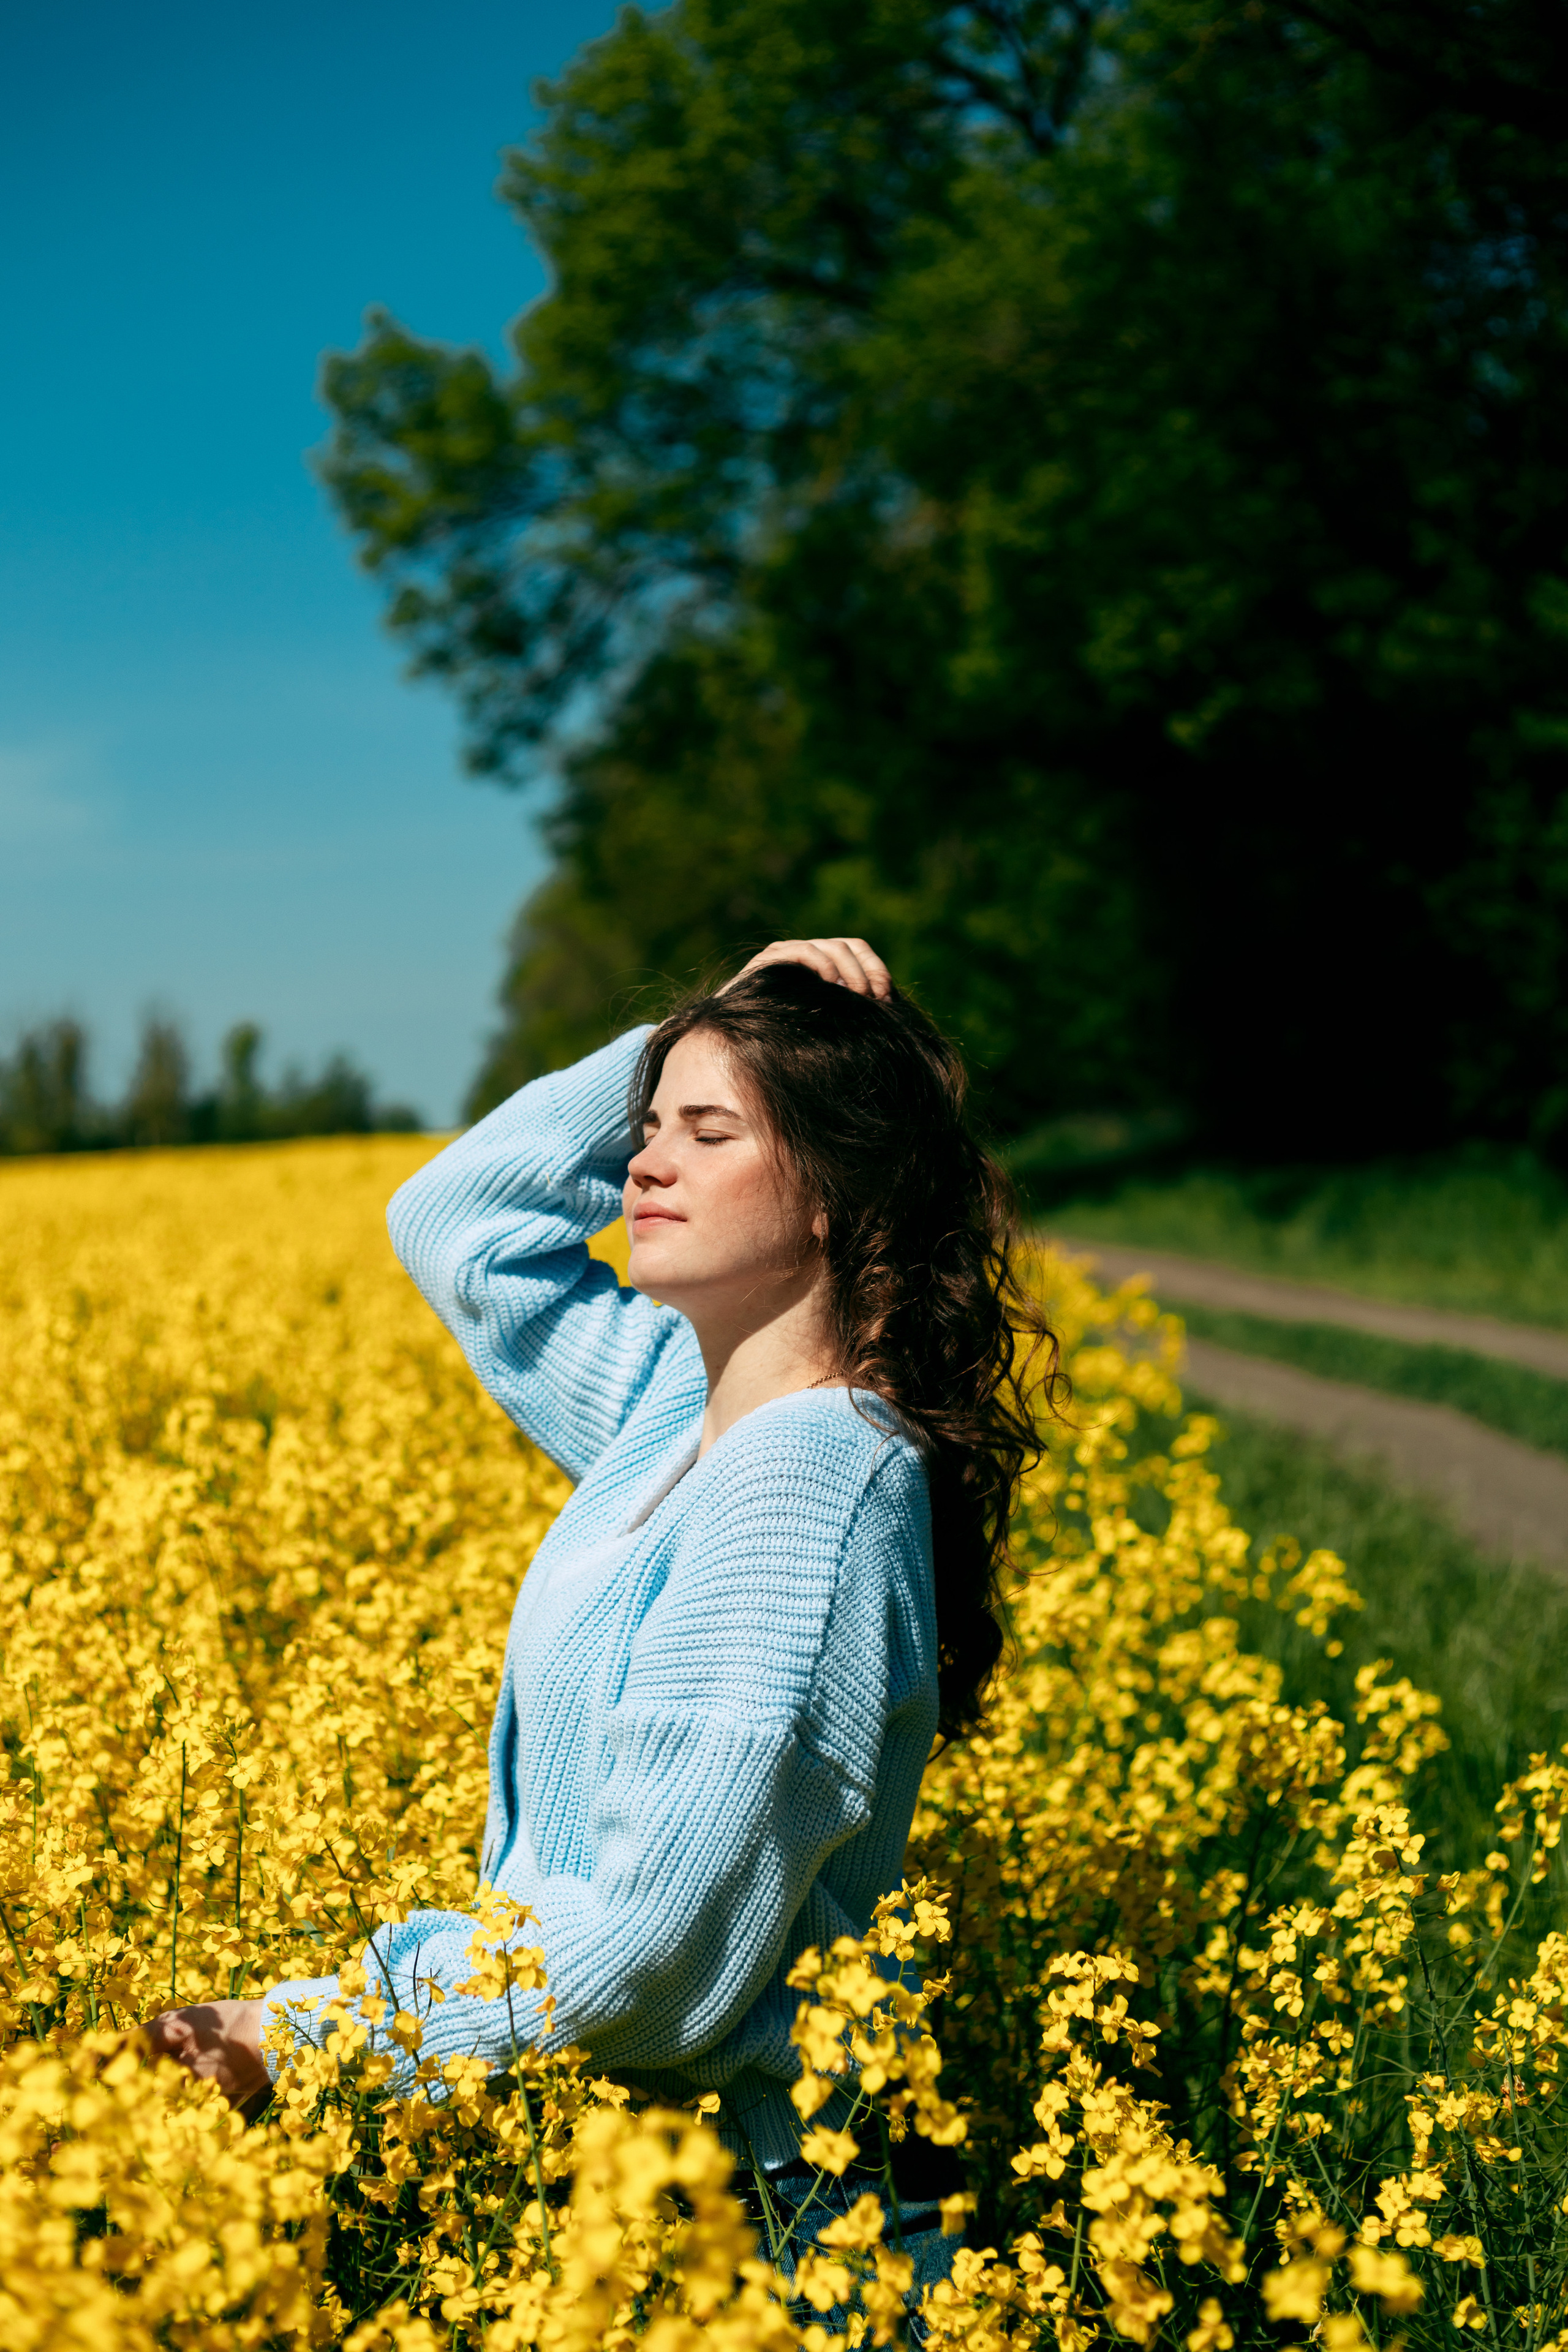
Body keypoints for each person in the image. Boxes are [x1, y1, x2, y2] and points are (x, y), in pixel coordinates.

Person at [145, 936, 1057, 2305]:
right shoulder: (673, 1411)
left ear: (832, 1193)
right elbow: (460, 1226)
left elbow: (648, 1949)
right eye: (643, 1132)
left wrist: (310, 2033)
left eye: (706, 1133)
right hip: (656, 2197)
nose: (644, 1166)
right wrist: (698, 1036)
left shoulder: (802, 1490)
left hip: (781, 2236)